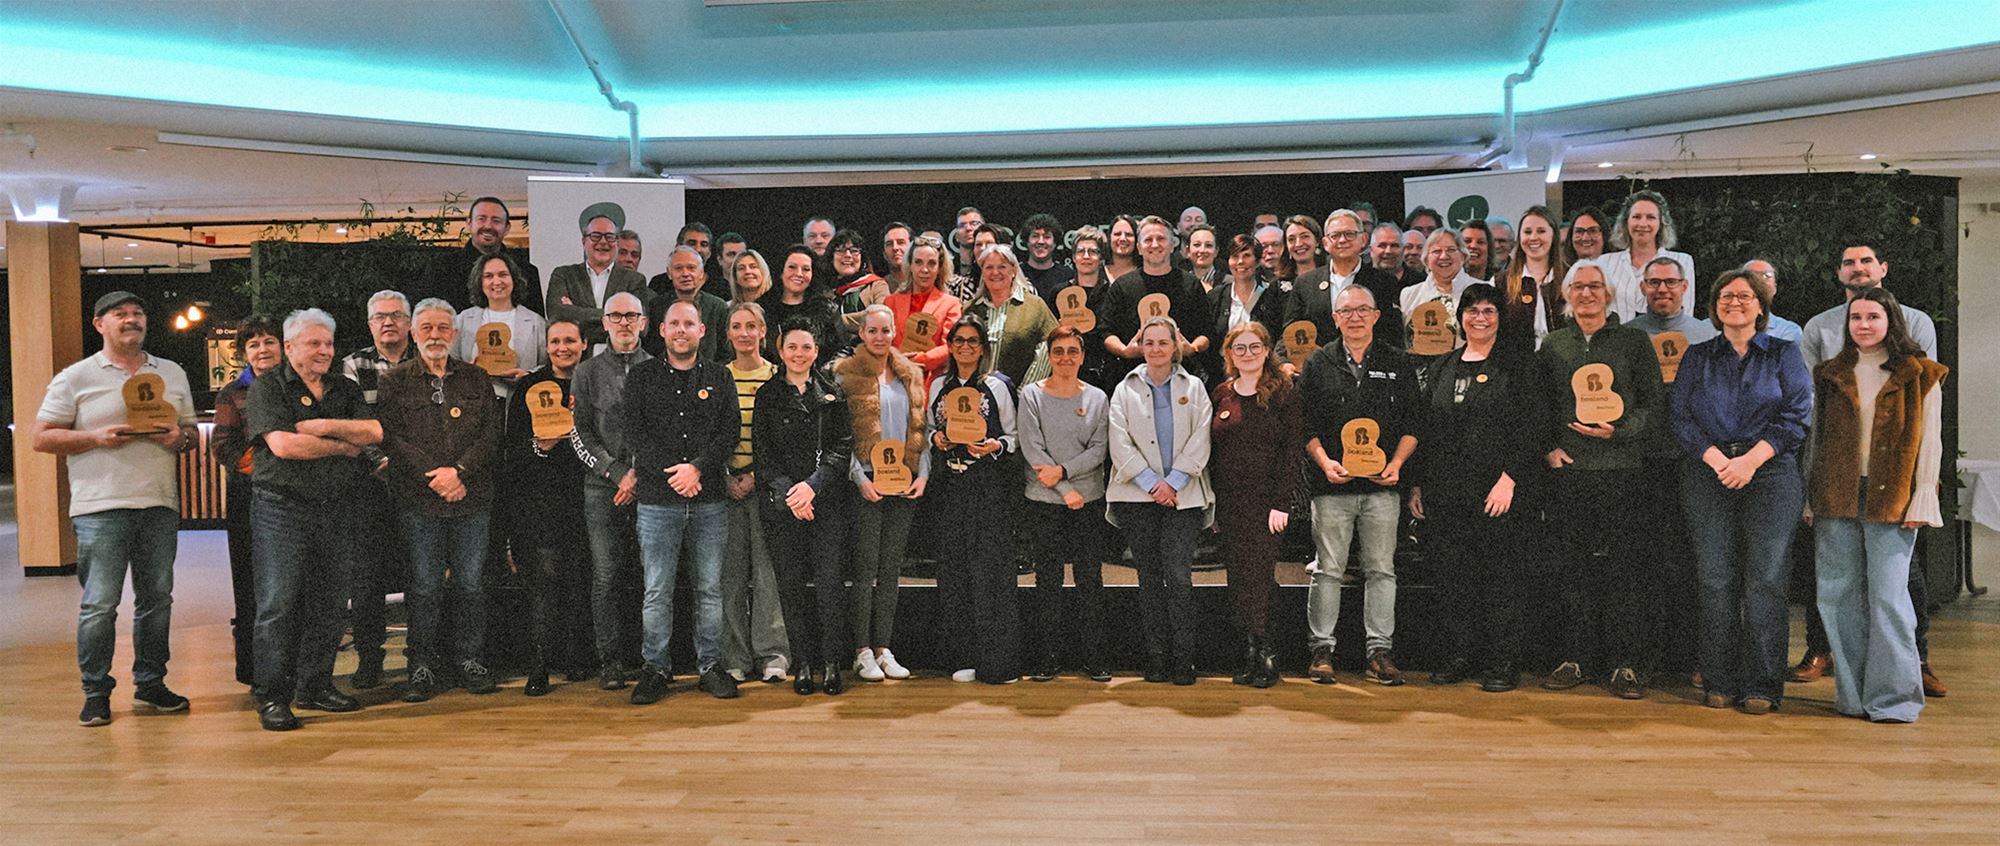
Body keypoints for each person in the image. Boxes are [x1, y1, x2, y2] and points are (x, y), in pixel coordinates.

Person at [33, 291, 199, 727]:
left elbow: (189, 433)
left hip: (159, 503)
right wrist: (95, 437)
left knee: (157, 601)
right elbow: (41, 437)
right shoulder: (76, 377)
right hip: (99, 508)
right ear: (99, 324)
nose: (131, 320)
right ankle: (95, 692)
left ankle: (151, 683)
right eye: (120, 314)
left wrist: (178, 439)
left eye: (137, 313)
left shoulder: (171, 372)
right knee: (100, 604)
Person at [1794, 241, 1943, 695]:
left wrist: (1924, 493)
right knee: (1837, 597)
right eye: (1856, 318)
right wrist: (1809, 496)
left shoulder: (1920, 373)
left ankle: (1895, 695)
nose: (1863, 324)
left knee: (1890, 597)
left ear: (1890, 321)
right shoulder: (1829, 374)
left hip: (1892, 494)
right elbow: (1815, 438)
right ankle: (1853, 694)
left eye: (1873, 317)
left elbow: (1930, 438)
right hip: (1835, 493)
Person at [1671, 269, 1812, 714]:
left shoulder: (1784, 353)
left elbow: (1797, 415)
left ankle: (1763, 685)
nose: (1735, 302)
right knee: (1715, 578)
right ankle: (1719, 679)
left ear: (1761, 305)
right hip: (1707, 472)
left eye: (1745, 295)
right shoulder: (1697, 356)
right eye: (1726, 296)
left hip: (1771, 474)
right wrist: (1719, 461)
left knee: (1766, 580)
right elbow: (1680, 418)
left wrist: (1750, 461)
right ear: (1714, 307)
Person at [240, 308, 381, 730]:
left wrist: (319, 425)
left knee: (331, 602)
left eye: (329, 343)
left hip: (337, 507)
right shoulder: (267, 388)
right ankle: (272, 696)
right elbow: (284, 446)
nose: (325, 351)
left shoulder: (344, 386)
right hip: (281, 509)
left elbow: (373, 433)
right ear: (289, 347)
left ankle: (315, 685)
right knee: (278, 605)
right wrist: (341, 444)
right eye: (314, 343)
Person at [1537, 260, 1668, 699]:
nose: (1587, 294)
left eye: (1595, 286)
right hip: (1570, 473)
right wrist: (1549, 448)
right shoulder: (1553, 345)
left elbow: (1653, 403)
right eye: (1578, 287)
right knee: (1571, 568)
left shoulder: (1633, 341)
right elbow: (1539, 405)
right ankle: (1574, 658)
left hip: (1623, 470)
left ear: (1608, 295)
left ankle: (1625, 664)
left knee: (1625, 570)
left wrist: (1622, 430)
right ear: (1567, 296)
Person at [1414, 285, 1546, 693]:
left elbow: (1533, 427)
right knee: (1454, 578)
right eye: (1472, 311)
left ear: (1500, 318)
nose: (1480, 318)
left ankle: (1503, 661)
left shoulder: (1519, 366)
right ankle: (1459, 654)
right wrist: (1417, 485)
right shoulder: (1443, 366)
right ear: (1460, 319)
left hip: (1499, 492)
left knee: (1501, 579)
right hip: (1446, 493)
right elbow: (1426, 429)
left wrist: (1510, 479)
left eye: (1489, 311)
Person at [378, 299, 501, 702]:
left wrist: (459, 473)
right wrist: (437, 477)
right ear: (413, 333)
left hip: (472, 499)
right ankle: (421, 665)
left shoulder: (477, 378)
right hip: (419, 500)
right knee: (424, 587)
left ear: (455, 333)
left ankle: (470, 660)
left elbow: (490, 435)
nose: (435, 335)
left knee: (471, 585)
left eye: (443, 328)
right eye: (427, 328)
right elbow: (393, 438)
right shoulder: (394, 381)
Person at [1298, 285, 1420, 687]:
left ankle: (1379, 652)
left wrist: (1397, 464)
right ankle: (1321, 651)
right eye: (1346, 311)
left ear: (1376, 316)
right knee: (1327, 571)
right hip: (1331, 486)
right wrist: (1325, 463)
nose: (1354, 317)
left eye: (1362, 310)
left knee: (1381, 570)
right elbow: (1306, 426)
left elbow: (1413, 423)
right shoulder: (1317, 362)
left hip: (1382, 488)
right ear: (1335, 318)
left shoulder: (1397, 361)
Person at [623, 301, 742, 704]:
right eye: (673, 323)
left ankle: (710, 665)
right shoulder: (641, 377)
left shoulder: (720, 376)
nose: (681, 330)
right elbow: (635, 435)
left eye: (689, 323)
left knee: (709, 589)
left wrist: (697, 470)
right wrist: (676, 475)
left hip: (709, 500)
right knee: (657, 590)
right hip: (657, 501)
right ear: (660, 330)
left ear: (702, 331)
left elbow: (729, 432)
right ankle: (655, 668)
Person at [1107, 316, 1215, 685]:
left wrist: (1174, 482)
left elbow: (1202, 437)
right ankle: (1156, 657)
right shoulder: (1124, 389)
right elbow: (1119, 442)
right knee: (1149, 580)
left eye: (1163, 342)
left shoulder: (1194, 386)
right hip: (1138, 497)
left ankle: (1184, 659)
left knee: (1179, 577)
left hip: (1183, 497)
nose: (1155, 349)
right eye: (1148, 342)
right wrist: (1154, 484)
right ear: (1140, 347)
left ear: (1175, 346)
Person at [754, 318, 855, 695]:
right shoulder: (768, 395)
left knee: (829, 586)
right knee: (791, 587)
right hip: (784, 508)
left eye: (806, 347)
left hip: (825, 504)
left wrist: (812, 488)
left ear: (816, 352)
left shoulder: (833, 393)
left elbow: (842, 448)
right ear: (781, 351)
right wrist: (791, 494)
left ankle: (831, 663)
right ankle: (803, 664)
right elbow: (763, 455)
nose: (799, 354)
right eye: (792, 347)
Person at [834, 305, 930, 682]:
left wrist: (923, 474)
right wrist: (859, 478)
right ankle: (861, 650)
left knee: (890, 570)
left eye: (885, 330)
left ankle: (883, 647)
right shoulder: (845, 374)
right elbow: (840, 436)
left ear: (894, 332)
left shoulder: (911, 374)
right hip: (867, 482)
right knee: (865, 569)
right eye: (872, 330)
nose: (879, 337)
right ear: (861, 334)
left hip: (903, 481)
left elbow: (923, 429)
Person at [929, 316, 1024, 684]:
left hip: (989, 489)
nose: (965, 347)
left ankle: (998, 662)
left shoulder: (998, 385)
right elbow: (929, 429)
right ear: (950, 346)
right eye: (959, 341)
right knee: (954, 573)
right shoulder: (938, 385)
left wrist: (994, 446)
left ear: (983, 347)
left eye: (972, 341)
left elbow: (1014, 437)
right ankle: (961, 656)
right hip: (950, 489)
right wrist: (937, 439)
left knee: (992, 575)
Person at [1209, 323, 1302, 688]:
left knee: (1260, 578)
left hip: (1267, 505)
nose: (1247, 354)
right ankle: (1249, 651)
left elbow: (1291, 452)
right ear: (1230, 354)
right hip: (1230, 504)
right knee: (1238, 578)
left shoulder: (1283, 393)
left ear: (1266, 351)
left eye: (1254, 347)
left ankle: (1268, 654)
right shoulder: (1221, 393)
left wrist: (1282, 503)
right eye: (1239, 348)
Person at [1017, 326, 1113, 682]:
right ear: (1049, 356)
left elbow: (1100, 450)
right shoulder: (1031, 395)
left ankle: (1095, 657)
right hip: (1044, 501)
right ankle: (1048, 658)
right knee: (1048, 579)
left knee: (1090, 579)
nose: (1065, 358)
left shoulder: (1098, 398)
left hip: (1087, 501)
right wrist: (1064, 489)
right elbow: (1032, 448)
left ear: (1083, 356)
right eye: (1058, 351)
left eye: (1073, 351)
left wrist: (1064, 474)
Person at [570, 291, 653, 689]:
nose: (624, 323)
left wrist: (638, 476)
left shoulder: (658, 368)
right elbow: (579, 433)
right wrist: (616, 473)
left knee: (649, 576)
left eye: (631, 316)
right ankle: (611, 660)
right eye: (616, 316)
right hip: (600, 487)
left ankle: (648, 657)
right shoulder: (586, 372)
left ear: (644, 323)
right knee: (606, 576)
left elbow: (663, 431)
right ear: (604, 323)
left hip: (649, 489)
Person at [506, 319, 592, 696]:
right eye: (555, 341)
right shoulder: (529, 387)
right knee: (545, 583)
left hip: (589, 496)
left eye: (570, 340)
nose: (562, 347)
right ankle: (539, 665)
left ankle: (577, 658)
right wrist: (539, 447)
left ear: (584, 344)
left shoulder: (592, 382)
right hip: (543, 502)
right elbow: (512, 450)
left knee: (581, 581)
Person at [337, 290, 414, 689]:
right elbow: (354, 419)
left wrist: (412, 464)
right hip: (369, 485)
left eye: (396, 315)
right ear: (369, 324)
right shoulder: (354, 364)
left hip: (419, 482)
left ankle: (422, 656)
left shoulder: (426, 359)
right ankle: (370, 658)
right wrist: (379, 461)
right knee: (366, 579)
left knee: (421, 572)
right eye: (380, 316)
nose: (388, 322)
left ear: (409, 323)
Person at [719, 302, 791, 684]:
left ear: (764, 332)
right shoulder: (718, 376)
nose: (744, 333)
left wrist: (757, 475)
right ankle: (734, 656)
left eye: (751, 326)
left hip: (764, 488)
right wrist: (725, 476)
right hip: (725, 489)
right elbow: (708, 433)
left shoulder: (778, 376)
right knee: (729, 577)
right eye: (736, 326)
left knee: (767, 575)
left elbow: (783, 440)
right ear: (728, 333)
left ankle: (773, 654)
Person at [211, 313, 284, 687]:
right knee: (251, 584)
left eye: (269, 341)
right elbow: (224, 447)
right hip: (248, 498)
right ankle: (255, 672)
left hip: (295, 497)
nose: (262, 349)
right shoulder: (233, 393)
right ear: (244, 352)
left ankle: (293, 666)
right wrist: (271, 465)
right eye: (253, 344)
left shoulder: (297, 386)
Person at [1103, 216, 1213, 383]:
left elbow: (1206, 331)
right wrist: (1124, 351)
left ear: (1172, 245)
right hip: (1132, 378)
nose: (1155, 245)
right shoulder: (1122, 286)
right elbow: (1106, 331)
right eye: (1148, 240)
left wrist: (1192, 348)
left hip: (1183, 377)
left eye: (1161, 239)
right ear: (1139, 248)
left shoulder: (1190, 284)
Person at [1290, 209, 1406, 352]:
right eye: (1335, 235)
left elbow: (1392, 334)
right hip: (1318, 362)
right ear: (1325, 243)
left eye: (1349, 234)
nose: (1342, 240)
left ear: (1364, 239)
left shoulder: (1384, 282)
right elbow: (1290, 332)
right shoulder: (1305, 283)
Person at [547, 209, 649, 350]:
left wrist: (575, 314)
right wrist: (615, 316)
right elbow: (557, 315)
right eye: (596, 236)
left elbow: (641, 329)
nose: (603, 242)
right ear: (584, 242)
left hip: (619, 359)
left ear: (616, 243)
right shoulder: (564, 275)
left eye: (609, 237)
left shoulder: (634, 280)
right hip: (576, 359)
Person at [963, 243, 1060, 389]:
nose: (995, 272)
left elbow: (1049, 347)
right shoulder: (970, 309)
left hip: (1019, 395)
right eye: (989, 267)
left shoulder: (1035, 306)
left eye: (1002, 267)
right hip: (974, 394)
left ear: (1013, 270)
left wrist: (1024, 392)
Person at [428, 196, 543, 315]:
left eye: (496, 221)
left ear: (507, 228)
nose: (488, 226)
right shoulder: (440, 268)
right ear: (469, 224)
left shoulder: (526, 272)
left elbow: (536, 321)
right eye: (481, 219)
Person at [455, 253, 547, 395]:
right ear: (480, 282)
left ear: (514, 279)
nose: (497, 281)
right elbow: (449, 361)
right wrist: (466, 371)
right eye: (488, 276)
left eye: (503, 275)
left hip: (518, 399)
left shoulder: (536, 322)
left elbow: (547, 365)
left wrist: (528, 376)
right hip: (472, 399)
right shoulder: (463, 319)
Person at [1600, 191, 1696, 322]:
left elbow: (1685, 315)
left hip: (1665, 334)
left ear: (1661, 223)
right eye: (1636, 217)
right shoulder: (1605, 263)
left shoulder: (1682, 261)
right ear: (1626, 222)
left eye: (1650, 217)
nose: (1642, 224)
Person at [882, 234, 962, 382]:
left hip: (932, 382)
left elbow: (950, 345)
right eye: (918, 262)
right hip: (893, 379)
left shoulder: (951, 304)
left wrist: (919, 360)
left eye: (931, 263)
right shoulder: (890, 302)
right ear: (910, 266)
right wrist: (897, 361)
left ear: (939, 268)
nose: (925, 269)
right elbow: (881, 342)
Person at [1207, 234, 1290, 374]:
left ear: (1258, 261)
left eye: (1246, 256)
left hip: (1264, 373)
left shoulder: (1272, 297)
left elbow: (1280, 336)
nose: (1240, 261)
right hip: (1223, 374)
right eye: (1234, 256)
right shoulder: (1216, 296)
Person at [1494, 205, 1569, 355]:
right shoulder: (1500, 282)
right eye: (1527, 232)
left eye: (1541, 231)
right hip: (1516, 365)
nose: (1533, 237)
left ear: (1553, 235)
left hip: (1565, 362)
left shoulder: (1572, 277)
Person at [1399, 228, 1491, 347]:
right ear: (1426, 259)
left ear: (1463, 256)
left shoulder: (1485, 291)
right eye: (1436, 251)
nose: (1443, 256)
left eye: (1451, 250)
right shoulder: (1409, 294)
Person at [758, 245, 845, 365]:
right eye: (792, 267)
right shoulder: (761, 309)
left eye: (806, 269)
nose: (799, 274)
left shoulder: (827, 310)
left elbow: (841, 351)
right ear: (781, 272)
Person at [654, 245, 731, 361]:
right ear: (669, 273)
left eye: (691, 268)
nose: (685, 273)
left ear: (701, 273)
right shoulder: (656, 306)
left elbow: (727, 353)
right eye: (678, 268)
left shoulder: (718, 308)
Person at [1627, 257, 1719, 345]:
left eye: (1671, 282)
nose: (1662, 289)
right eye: (1654, 282)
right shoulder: (1625, 336)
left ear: (1684, 287)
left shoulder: (1708, 335)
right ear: (1643, 288)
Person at [827, 228, 889, 332]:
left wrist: (838, 321)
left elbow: (880, 316)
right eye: (840, 250)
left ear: (862, 258)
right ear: (831, 258)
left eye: (854, 251)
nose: (847, 255)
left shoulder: (876, 285)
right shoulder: (825, 290)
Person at [1742, 260, 1803, 342]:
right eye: (1753, 275)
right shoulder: (1724, 327)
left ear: (1774, 289)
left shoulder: (1788, 330)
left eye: (1767, 275)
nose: (1759, 281)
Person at [1020, 213, 1076, 299]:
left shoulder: (1068, 276)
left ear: (1055, 242)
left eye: (1047, 237)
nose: (1041, 241)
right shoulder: (1017, 274)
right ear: (1027, 241)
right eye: (1035, 236)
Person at [1280, 214, 1324, 282]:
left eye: (1305, 236)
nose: (1298, 244)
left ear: (1317, 241)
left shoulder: (1332, 276)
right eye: (1291, 239)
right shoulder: (1277, 285)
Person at [1369, 221, 1412, 288]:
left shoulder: (1419, 281)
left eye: (1394, 245)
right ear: (1371, 250)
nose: (1388, 251)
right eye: (1382, 245)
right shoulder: (1359, 278)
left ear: (1403, 250)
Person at [1181, 224, 1220, 292]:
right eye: (1197, 245)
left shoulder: (1230, 283)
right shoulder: (1180, 281)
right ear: (1188, 251)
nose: (1202, 250)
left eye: (1208, 245)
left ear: (1216, 251)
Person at [878, 221, 914, 293]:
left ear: (913, 249)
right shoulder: (877, 288)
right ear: (884, 254)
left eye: (901, 242)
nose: (895, 248)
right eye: (889, 244)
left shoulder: (926, 281)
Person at [1106, 215, 1142, 282]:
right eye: (1117, 234)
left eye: (1129, 234)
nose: (1123, 238)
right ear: (1109, 238)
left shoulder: (1145, 272)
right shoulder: (1096, 271)